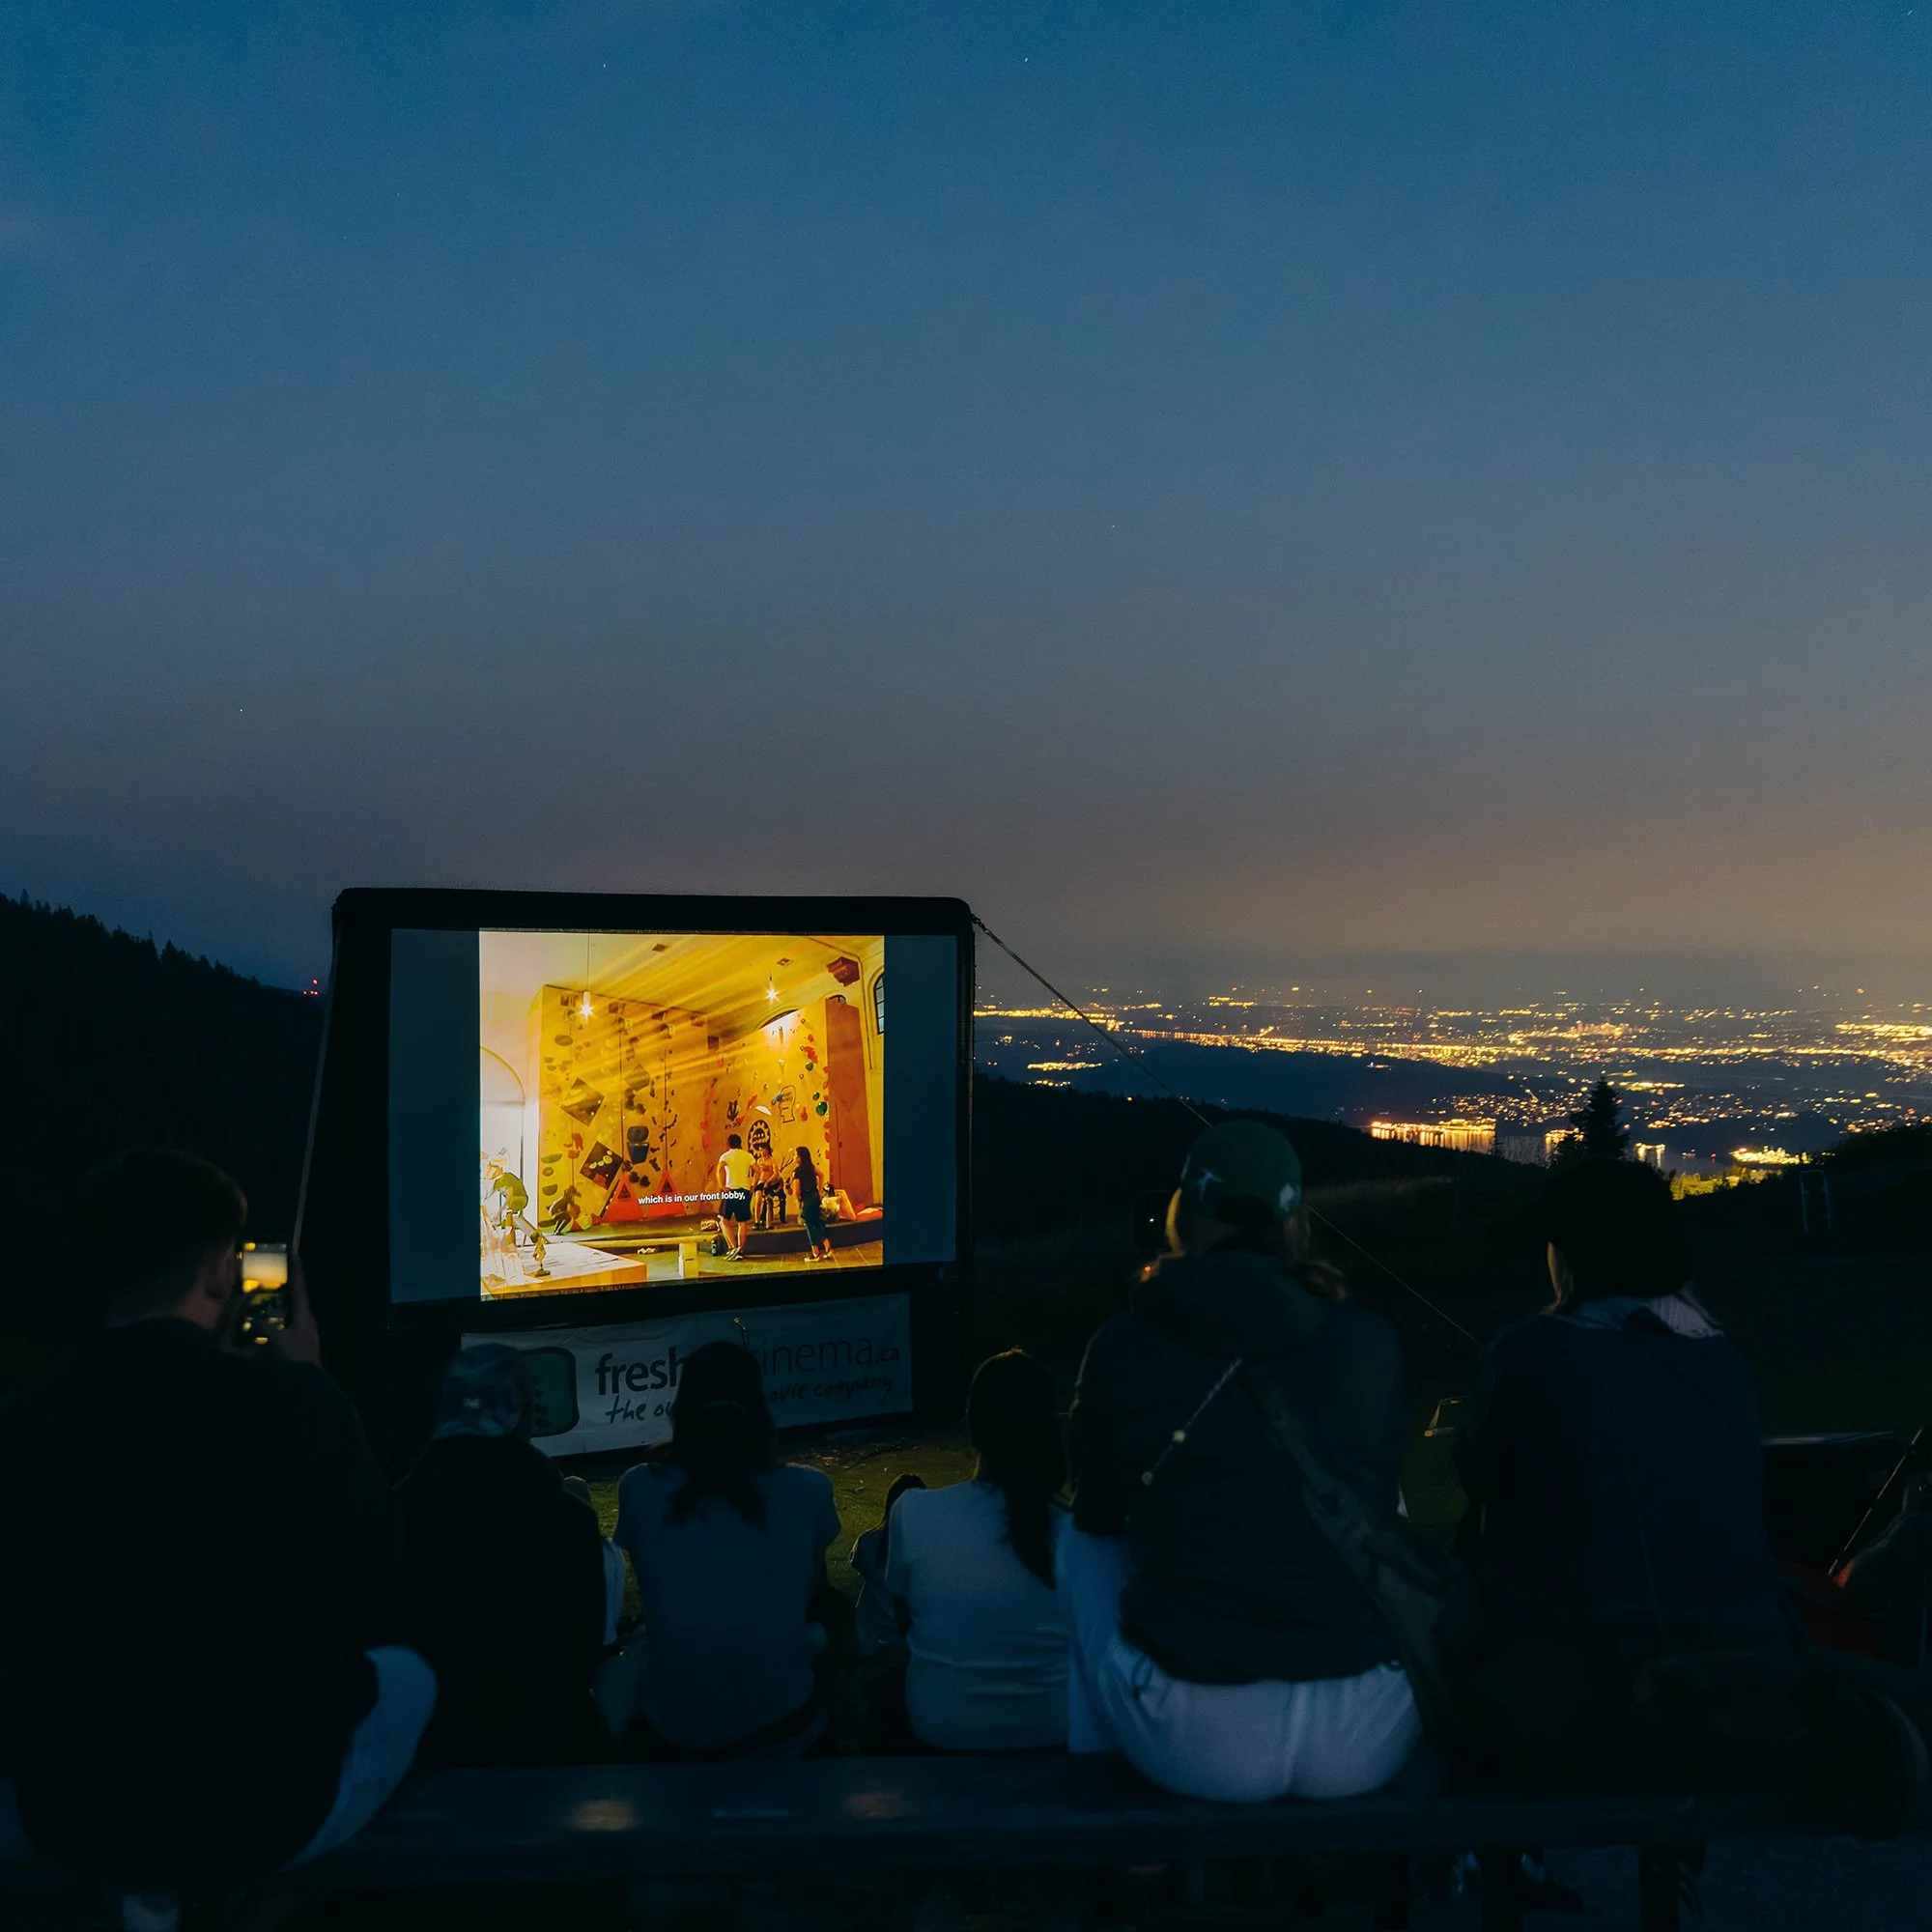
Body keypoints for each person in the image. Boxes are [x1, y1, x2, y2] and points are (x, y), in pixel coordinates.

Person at [0, 1151, 433, 1893]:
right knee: (409, 1678)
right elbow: (379, 1573)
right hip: (260, 1812)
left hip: (72, 1807)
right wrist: (310, 1380)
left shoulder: (26, 1418)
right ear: (214, 1273)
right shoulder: (293, 1406)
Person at [1065, 1120, 1419, 1804]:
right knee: (1375, 1495)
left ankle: (1095, 1776)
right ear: (1294, 1222)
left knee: (1080, 1545)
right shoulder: (1368, 1342)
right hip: (1365, 1726)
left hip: (1190, 1732)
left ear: (1181, 1216)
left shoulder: (1124, 1345)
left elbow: (1099, 1521)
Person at [1453, 1158, 1794, 1659]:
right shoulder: (1719, 1356)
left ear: (1570, 1258)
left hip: (1585, 1662)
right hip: (1751, 1647)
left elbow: (1477, 1472)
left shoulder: (1531, 1352)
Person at [612, 1342, 840, 1757]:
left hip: (678, 1734)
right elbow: (810, 1591)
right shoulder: (807, 1489)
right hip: (783, 1728)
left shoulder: (640, 1487)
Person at [394, 1345, 611, 1766]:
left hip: (430, 1750)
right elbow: (580, 1663)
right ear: (526, 1414)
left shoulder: (394, 1515)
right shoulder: (567, 1520)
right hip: (544, 1750)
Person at [887, 1351, 1071, 1751]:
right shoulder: (1076, 1532)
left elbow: (909, 1623)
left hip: (940, 1731)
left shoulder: (913, 1511)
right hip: (1054, 1730)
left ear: (971, 1422)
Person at [852, 1473, 926, 1658]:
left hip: (867, 1632)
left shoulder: (870, 1541)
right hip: (903, 1638)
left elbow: (857, 1562)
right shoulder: (926, 1549)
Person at [715, 1133, 755, 1258]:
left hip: (731, 1191)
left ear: (728, 1144)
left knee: (723, 1221)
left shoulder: (726, 1155)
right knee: (742, 1223)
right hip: (744, 1190)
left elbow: (719, 1169)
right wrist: (753, 1185)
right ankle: (741, 1250)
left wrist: (722, 1185)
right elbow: (757, 1170)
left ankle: (733, 1248)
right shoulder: (748, 1155)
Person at [791, 1146, 834, 1262]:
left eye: (795, 1155)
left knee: (810, 1226)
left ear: (800, 1158)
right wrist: (819, 1190)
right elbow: (821, 1175)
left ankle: (815, 1254)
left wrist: (798, 1203)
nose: (794, 1158)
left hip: (806, 1200)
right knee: (819, 1223)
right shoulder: (811, 1168)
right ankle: (828, 1248)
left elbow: (796, 1191)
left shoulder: (796, 1172)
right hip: (815, 1197)